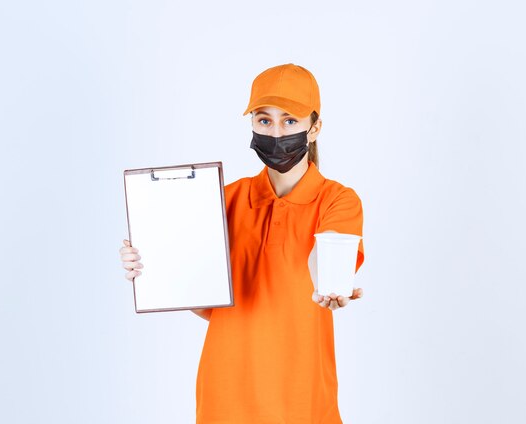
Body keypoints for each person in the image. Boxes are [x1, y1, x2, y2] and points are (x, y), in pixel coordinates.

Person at [119, 63, 365, 423]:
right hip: (225, 392)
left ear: (315, 128)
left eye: (290, 120)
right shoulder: (222, 199)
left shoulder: (337, 200)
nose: (276, 131)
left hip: (299, 395)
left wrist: (332, 284)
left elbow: (326, 255)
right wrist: (152, 266)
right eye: (264, 120)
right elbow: (205, 299)